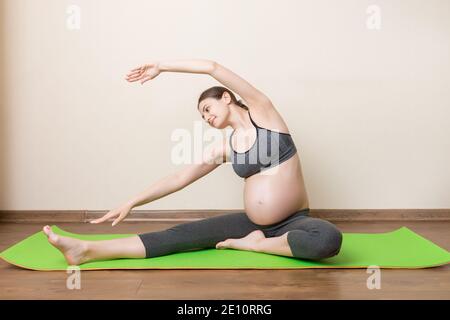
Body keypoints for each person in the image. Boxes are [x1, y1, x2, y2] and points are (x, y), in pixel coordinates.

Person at [43, 59, 342, 265]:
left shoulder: (264, 113)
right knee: (181, 235)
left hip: (295, 221)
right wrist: (132, 201)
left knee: (328, 239)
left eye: (208, 109)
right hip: (251, 222)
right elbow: (179, 178)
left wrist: (162, 66)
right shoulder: (225, 147)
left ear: (226, 97)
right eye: (202, 117)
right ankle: (86, 250)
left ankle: (254, 244)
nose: (207, 118)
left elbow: (212, 67)